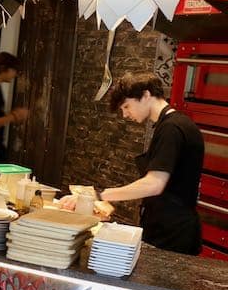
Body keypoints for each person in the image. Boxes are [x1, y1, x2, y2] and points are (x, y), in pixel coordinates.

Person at [83, 72, 204, 255]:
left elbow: (154, 184)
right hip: (165, 227)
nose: (125, 114)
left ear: (146, 95)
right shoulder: (170, 125)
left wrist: (100, 195)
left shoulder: (172, 128)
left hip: (173, 235)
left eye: (126, 106)